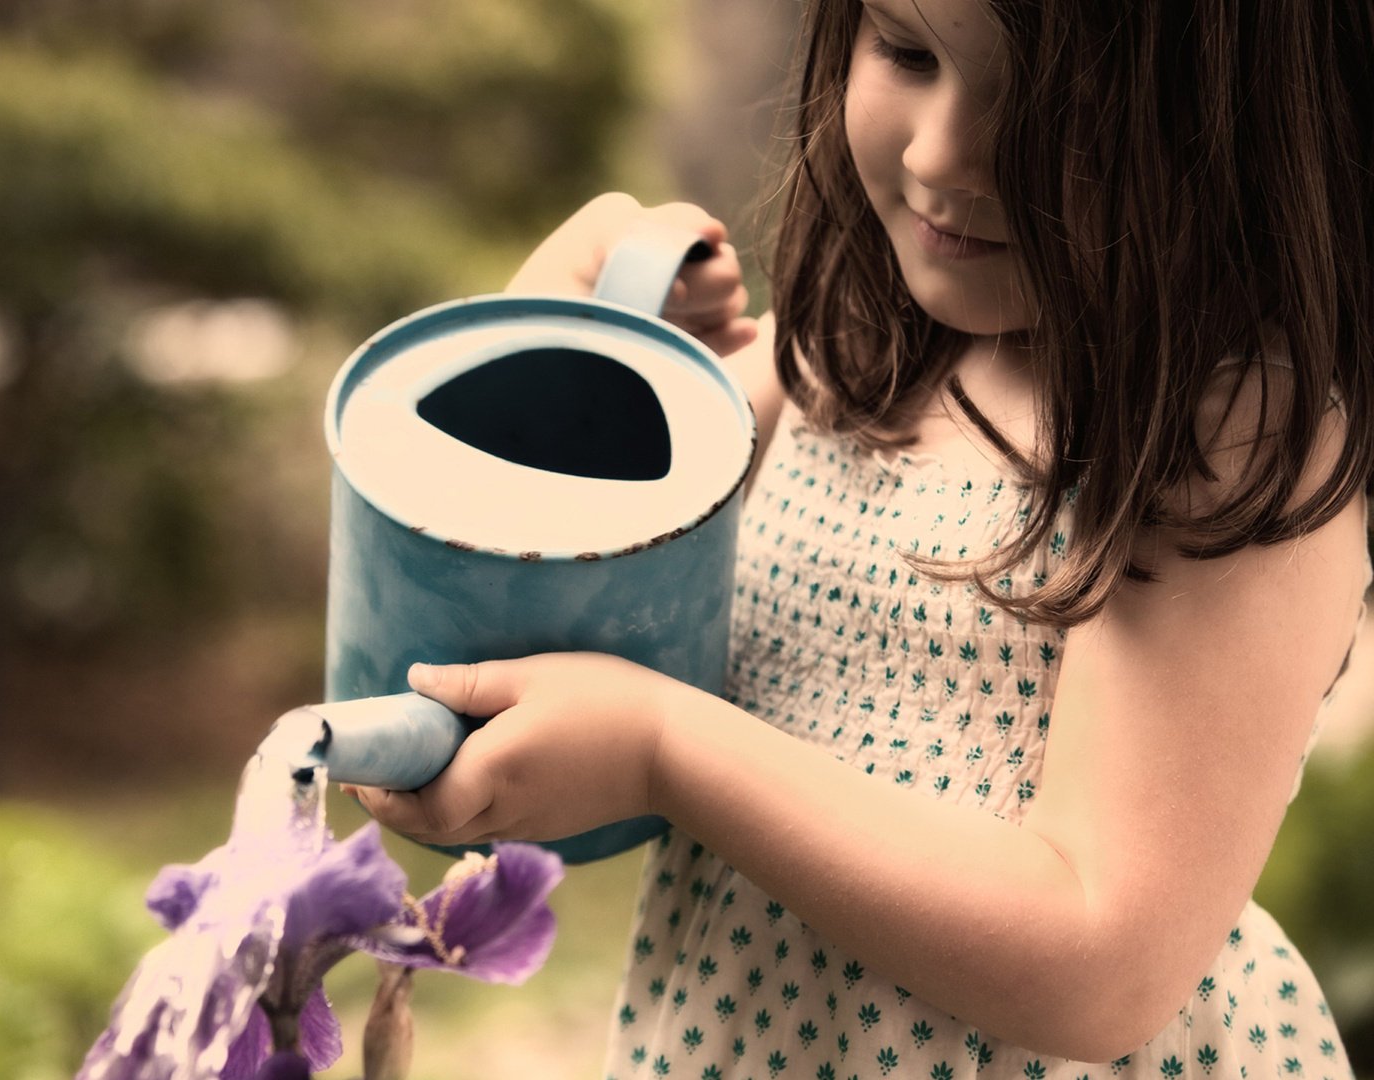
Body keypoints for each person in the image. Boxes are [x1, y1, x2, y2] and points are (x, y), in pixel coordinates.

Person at [347, 0, 1374, 1075]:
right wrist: (563, 345)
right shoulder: (834, 370)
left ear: (1239, 124)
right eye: (909, 51)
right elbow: (519, 590)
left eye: (1057, 107)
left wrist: (665, 748)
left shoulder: (1230, 440)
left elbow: (1097, 958)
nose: (942, 152)